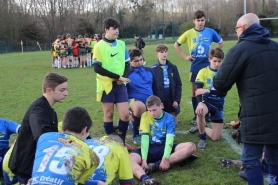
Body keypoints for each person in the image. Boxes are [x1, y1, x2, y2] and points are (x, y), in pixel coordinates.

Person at [213, 13, 278, 185]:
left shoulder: (240, 49)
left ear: (242, 28)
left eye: (236, 29)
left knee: (251, 160)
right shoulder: (275, 46)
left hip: (256, 115)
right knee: (274, 157)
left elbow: (220, 83)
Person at [8, 72, 68, 184]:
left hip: (36, 164)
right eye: (62, 90)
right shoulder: (38, 109)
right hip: (28, 168)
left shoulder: (48, 109)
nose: (66, 93)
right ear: (49, 90)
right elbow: (42, 136)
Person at [130, 95, 197, 185]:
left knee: (191, 146)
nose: (152, 113)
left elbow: (170, 140)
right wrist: (144, 159)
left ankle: (156, 165)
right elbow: (144, 139)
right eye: (149, 110)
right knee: (130, 158)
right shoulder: (145, 116)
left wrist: (165, 158)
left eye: (154, 110)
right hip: (149, 149)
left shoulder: (169, 118)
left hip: (164, 147)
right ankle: (146, 179)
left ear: (161, 106)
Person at [174, 10, 224, 125]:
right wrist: (185, 56)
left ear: (205, 20)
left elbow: (221, 43)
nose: (200, 23)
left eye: (202, 20)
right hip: (195, 66)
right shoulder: (189, 33)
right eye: (198, 20)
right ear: (194, 21)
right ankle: (196, 114)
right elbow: (176, 44)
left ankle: (211, 113)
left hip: (209, 67)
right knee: (195, 91)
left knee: (210, 89)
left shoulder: (210, 32)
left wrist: (213, 53)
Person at [30, 107, 99, 185]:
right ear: (84, 130)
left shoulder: (44, 137)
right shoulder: (92, 156)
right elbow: (79, 182)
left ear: (62, 127)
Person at [92, 18, 133, 150]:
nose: (116, 31)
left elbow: (128, 64)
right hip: (106, 86)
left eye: (117, 28)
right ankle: (111, 143)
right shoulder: (99, 46)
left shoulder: (121, 44)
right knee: (108, 114)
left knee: (125, 115)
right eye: (114, 28)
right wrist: (117, 77)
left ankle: (121, 142)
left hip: (121, 85)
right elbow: (97, 68)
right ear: (106, 30)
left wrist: (123, 78)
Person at [188, 48, 226, 150]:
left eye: (219, 61)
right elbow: (198, 91)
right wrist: (200, 103)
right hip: (207, 102)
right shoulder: (203, 71)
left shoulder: (225, 73)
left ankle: (203, 127)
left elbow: (223, 92)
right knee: (200, 111)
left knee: (216, 138)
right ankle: (202, 137)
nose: (217, 64)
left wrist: (207, 91)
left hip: (219, 106)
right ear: (209, 59)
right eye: (215, 61)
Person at [126, 49, 159, 145]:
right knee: (139, 107)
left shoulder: (149, 71)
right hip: (134, 101)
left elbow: (155, 88)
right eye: (136, 61)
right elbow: (123, 93)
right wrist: (126, 110)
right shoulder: (127, 73)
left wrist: (159, 102)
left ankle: (133, 124)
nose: (140, 62)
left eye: (141, 60)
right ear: (130, 61)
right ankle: (136, 135)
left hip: (150, 100)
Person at [150, 44, 182, 124]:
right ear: (157, 54)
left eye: (165, 52)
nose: (164, 54)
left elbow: (178, 84)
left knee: (173, 123)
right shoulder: (152, 69)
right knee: (158, 121)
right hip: (159, 97)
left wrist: (176, 100)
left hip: (170, 96)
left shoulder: (173, 67)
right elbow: (150, 86)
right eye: (161, 52)